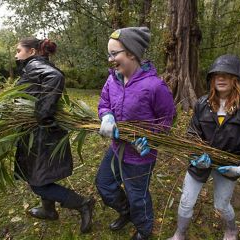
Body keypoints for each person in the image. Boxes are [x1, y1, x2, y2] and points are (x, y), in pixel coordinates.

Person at [96, 27, 176, 240]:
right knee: (104, 184)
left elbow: (166, 120)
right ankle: (126, 212)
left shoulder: (155, 86)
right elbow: (104, 102)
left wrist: (150, 138)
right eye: (109, 54)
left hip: (140, 156)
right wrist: (106, 116)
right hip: (117, 147)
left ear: (131, 53)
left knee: (137, 196)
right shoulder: (112, 79)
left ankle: (144, 230)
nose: (110, 59)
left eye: (114, 54)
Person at [14, 37, 95, 233]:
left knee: (38, 184)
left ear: (32, 51)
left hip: (42, 134)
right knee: (40, 175)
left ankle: (82, 203)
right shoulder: (35, 65)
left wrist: (42, 115)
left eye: (18, 50)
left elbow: (55, 78)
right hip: (40, 133)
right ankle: (48, 211)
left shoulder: (34, 65)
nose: (16, 55)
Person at [168, 54, 240, 240]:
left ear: (235, 79)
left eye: (226, 75)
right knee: (186, 201)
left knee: (221, 205)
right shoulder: (202, 104)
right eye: (217, 75)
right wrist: (196, 156)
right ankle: (179, 234)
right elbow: (192, 135)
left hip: (228, 164)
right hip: (201, 162)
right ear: (211, 79)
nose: (221, 78)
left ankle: (231, 230)